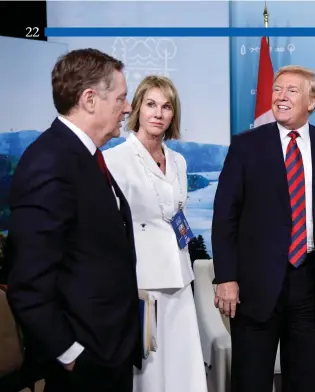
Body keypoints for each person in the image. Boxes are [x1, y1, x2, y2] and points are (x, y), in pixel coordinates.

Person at [212, 65, 315, 392]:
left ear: (312, 101)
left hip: (312, 285)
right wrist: (226, 277)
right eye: (277, 89)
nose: (280, 96)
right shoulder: (246, 146)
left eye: (292, 90)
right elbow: (225, 217)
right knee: (250, 382)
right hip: (254, 288)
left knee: (303, 383)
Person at [6, 48, 139, 392]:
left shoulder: (85, 156)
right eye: (121, 98)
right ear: (90, 99)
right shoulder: (50, 162)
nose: (127, 108)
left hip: (110, 350)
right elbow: (28, 282)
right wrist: (69, 353)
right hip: (83, 361)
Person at [103, 75, 208, 392]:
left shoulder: (179, 161)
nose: (158, 113)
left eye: (166, 106)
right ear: (137, 108)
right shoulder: (113, 160)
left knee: (182, 369)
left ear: (173, 114)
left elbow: (177, 215)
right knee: (148, 372)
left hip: (179, 277)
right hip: (141, 283)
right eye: (151, 104)